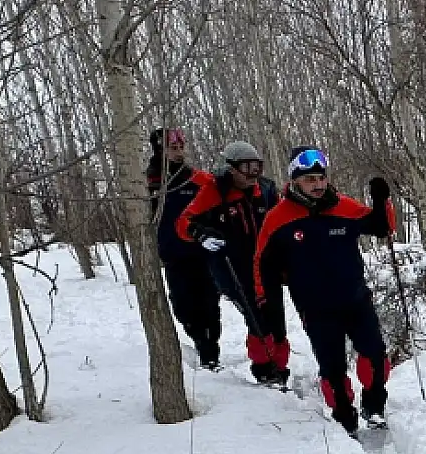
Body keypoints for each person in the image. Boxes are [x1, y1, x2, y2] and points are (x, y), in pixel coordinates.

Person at [254, 147, 395, 435]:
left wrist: (382, 201)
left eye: (321, 177)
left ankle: (374, 405)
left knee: (376, 356)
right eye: (310, 180)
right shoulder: (278, 218)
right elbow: (262, 263)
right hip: (316, 309)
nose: (318, 185)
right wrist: (264, 298)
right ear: (295, 181)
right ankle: (345, 418)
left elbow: (381, 227)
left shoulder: (343, 206)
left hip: (356, 299)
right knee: (333, 370)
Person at [176, 140, 290, 386]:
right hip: (231, 268)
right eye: (246, 168)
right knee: (257, 317)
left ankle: (280, 367)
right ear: (230, 169)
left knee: (276, 319)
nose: (253, 175)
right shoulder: (214, 192)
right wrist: (200, 234)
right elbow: (184, 221)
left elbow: (284, 218)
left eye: (257, 167)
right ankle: (265, 369)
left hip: (266, 265)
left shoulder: (267, 190)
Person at [148, 128, 222, 369]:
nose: (179, 153)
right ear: (161, 150)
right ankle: (198, 340)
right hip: (174, 256)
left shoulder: (199, 179)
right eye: (173, 148)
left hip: (203, 253)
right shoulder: (149, 182)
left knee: (210, 304)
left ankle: (210, 353)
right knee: (183, 305)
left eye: (181, 148)